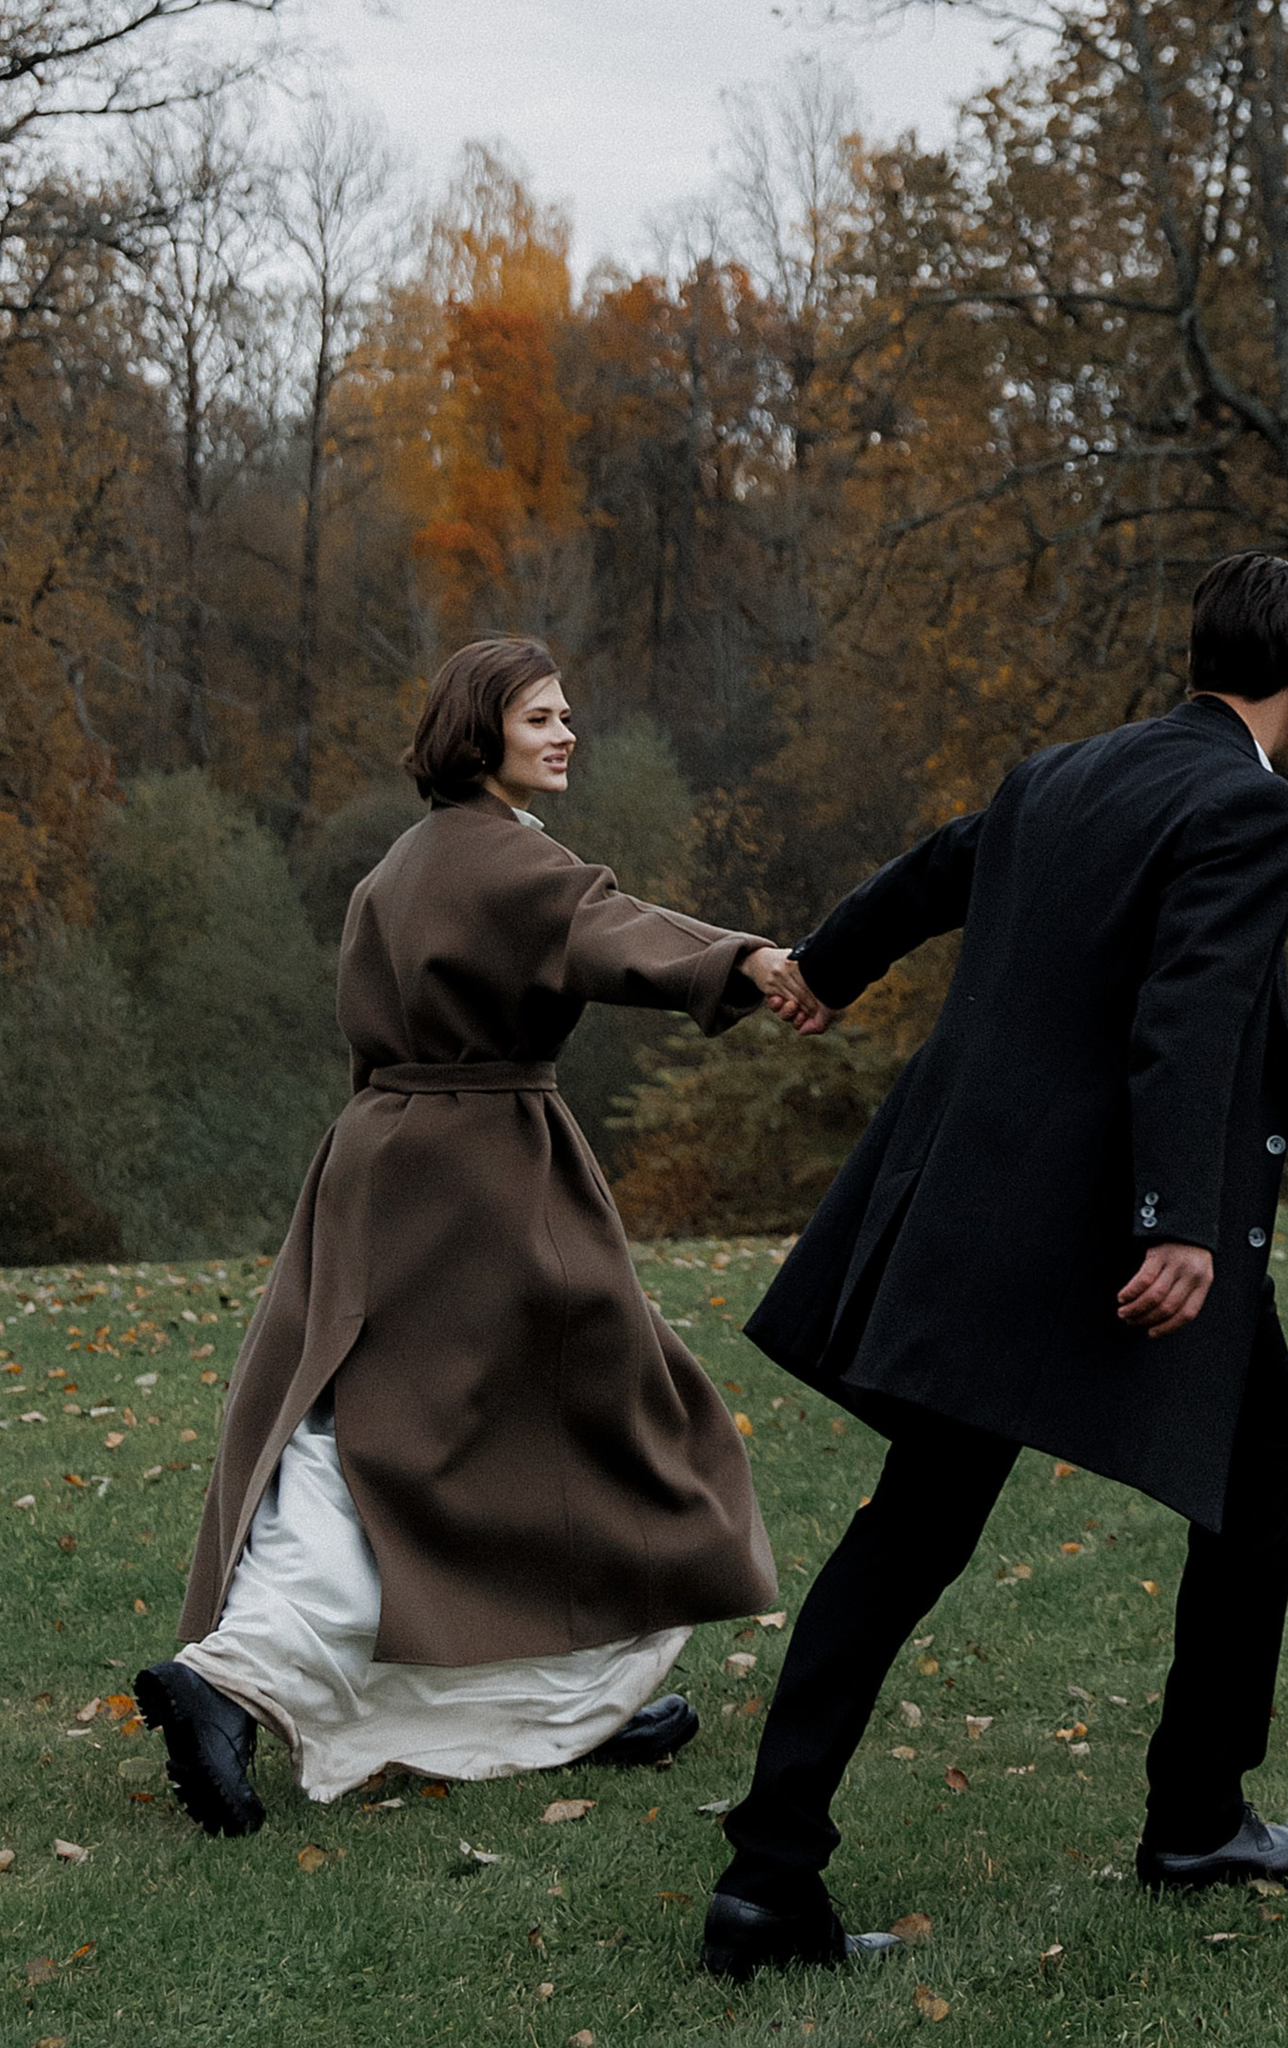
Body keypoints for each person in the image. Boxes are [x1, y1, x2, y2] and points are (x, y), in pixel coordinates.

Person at [702, 548, 1288, 1982]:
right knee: (1257, 1471)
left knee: (924, 1519)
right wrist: (1179, 1220)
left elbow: (942, 864)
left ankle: (766, 1879)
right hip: (1099, 1226)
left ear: (1197, 657)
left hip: (974, 1209)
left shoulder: (1066, 772)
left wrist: (827, 960)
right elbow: (1188, 1010)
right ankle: (1193, 1820)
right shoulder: (1250, 810)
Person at [137, 636, 815, 1835]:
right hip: (483, 1174)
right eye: (540, 717)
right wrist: (746, 960)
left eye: (566, 716)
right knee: (596, 1428)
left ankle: (571, 1700)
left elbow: (381, 1026)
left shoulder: (393, 868)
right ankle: (235, 1681)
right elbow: (614, 932)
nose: (564, 735)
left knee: (403, 1433)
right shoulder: (512, 866)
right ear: (480, 732)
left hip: (377, 1156)